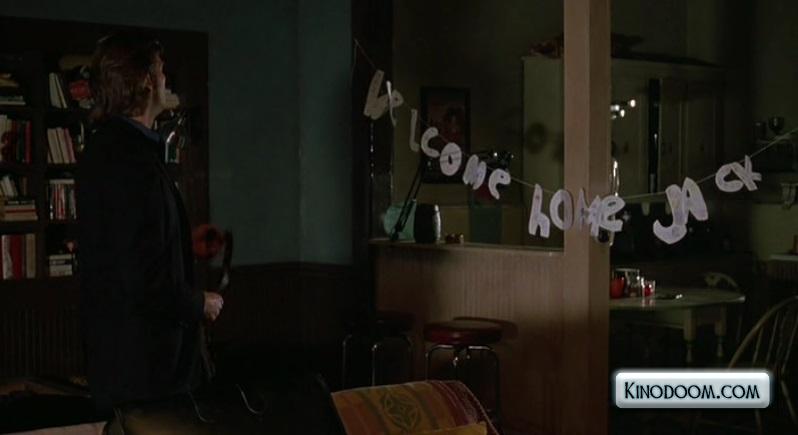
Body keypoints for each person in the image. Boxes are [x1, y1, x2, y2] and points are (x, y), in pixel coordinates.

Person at [77, 33, 224, 415]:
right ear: (145, 80)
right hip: (147, 370)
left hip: (131, 364)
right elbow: (140, 278)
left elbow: (132, 250)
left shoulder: (114, 150)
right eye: (160, 70)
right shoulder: (129, 161)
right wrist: (198, 303)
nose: (165, 78)